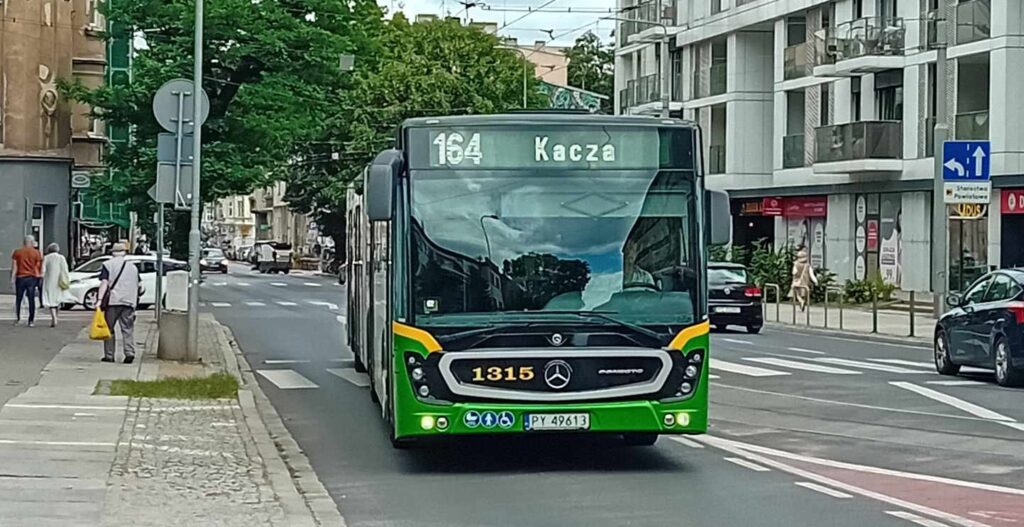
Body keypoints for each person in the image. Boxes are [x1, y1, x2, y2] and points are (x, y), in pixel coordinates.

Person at [97, 242, 142, 363]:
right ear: (124, 253)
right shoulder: (133, 267)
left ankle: (109, 355)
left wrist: (99, 300)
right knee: (127, 328)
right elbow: (139, 285)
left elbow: (104, 283)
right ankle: (129, 352)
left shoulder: (107, 265)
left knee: (109, 329)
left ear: (112, 253)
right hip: (128, 302)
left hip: (113, 301)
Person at [10, 235, 43, 327]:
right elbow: (37, 266)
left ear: (24, 242)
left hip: (20, 278)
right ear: (32, 242)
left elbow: (15, 267)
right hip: (31, 278)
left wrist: (12, 279)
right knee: (31, 299)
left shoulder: (17, 252)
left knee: (19, 299)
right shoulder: (37, 253)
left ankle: (18, 318)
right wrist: (38, 277)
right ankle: (31, 320)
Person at [41, 243, 74, 327]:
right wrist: (67, 279)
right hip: (59, 282)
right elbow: (65, 269)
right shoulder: (61, 258)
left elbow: (43, 270)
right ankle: (56, 316)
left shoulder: (46, 257)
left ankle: (54, 317)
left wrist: (41, 277)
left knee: (51, 300)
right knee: (58, 299)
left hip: (49, 281)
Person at [790, 247, 818, 312]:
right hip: (805, 282)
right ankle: (803, 301)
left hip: (796, 281)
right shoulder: (807, 265)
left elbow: (794, 272)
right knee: (805, 293)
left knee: (797, 293)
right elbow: (811, 275)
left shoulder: (796, 264)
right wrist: (816, 281)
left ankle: (801, 301)